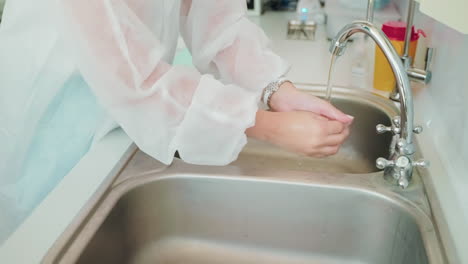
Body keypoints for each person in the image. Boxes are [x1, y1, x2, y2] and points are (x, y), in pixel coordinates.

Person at [0, 0, 352, 243]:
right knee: (51, 238)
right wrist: (266, 125)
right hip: (51, 126)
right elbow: (136, 79)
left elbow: (218, 23)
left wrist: (277, 91)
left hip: (128, 126)